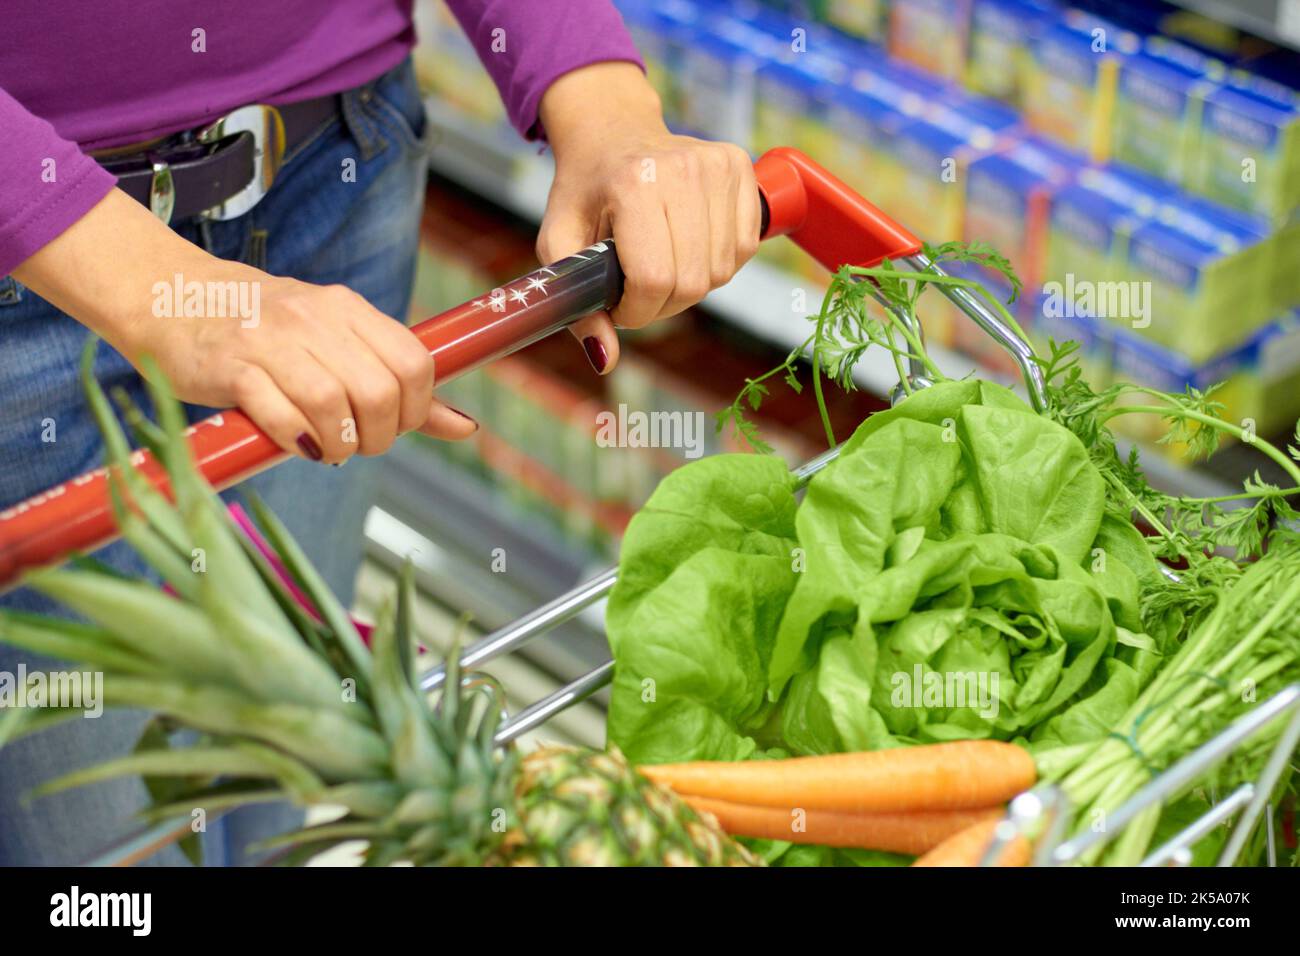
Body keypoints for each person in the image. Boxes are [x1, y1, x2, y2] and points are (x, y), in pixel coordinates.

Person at [0, 1, 759, 865]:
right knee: (98, 839)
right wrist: (153, 288)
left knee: (287, 759)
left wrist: (601, 99)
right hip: (34, 263)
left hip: (339, 163)